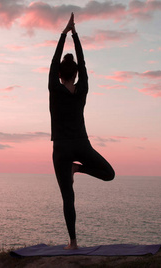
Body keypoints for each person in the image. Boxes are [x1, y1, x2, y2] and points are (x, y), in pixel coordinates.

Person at [48, 13, 115, 250]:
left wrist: (63, 33)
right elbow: (83, 63)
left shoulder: (54, 90)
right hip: (81, 145)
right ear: (76, 74)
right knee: (109, 174)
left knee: (68, 197)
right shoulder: (82, 89)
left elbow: (55, 61)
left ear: (58, 74)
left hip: (61, 149)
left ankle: (73, 243)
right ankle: (80, 169)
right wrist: (75, 34)